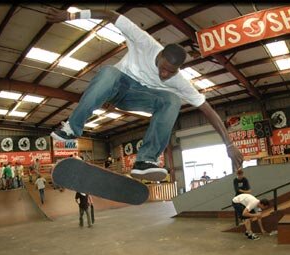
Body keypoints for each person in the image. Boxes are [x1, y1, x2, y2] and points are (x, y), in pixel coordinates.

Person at [46, 7, 243, 181]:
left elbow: (207, 110)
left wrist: (229, 144)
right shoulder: (144, 42)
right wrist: (70, 15)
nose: (165, 74)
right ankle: (73, 127)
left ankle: (145, 160)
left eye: (171, 72)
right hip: (118, 84)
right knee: (108, 72)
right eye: (163, 68)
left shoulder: (179, 80)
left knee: (172, 99)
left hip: (137, 97)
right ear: (160, 56)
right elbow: (109, 14)